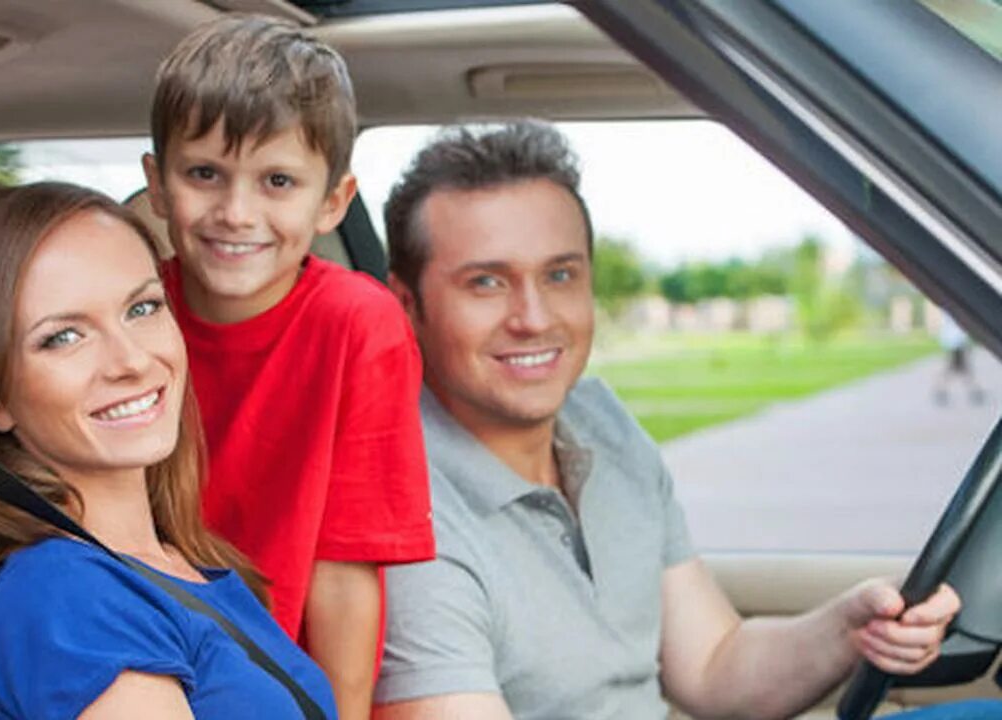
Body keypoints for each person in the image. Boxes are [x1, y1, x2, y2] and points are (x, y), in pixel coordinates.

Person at [372, 122, 999, 719]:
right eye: (487, 283)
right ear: (407, 305)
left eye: (560, 274)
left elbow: (713, 665)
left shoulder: (598, 421)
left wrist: (852, 626)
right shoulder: (406, 519)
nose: (534, 317)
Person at [0, 182, 337, 719]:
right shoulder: (64, 597)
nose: (132, 361)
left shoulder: (176, 563)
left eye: (142, 307)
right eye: (64, 337)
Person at [140, 15, 435, 718]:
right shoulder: (134, 315)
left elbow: (345, 565)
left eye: (277, 180)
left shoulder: (358, 326)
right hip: (147, 655)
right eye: (204, 173)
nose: (236, 213)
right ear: (158, 183)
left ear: (333, 201)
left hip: (272, 684)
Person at [934, 312, 985, 406]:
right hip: (956, 342)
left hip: (953, 342)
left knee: (958, 369)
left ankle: (940, 391)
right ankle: (974, 392)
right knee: (960, 369)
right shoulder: (953, 311)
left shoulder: (949, 309)